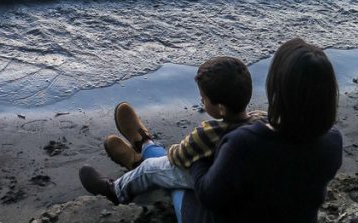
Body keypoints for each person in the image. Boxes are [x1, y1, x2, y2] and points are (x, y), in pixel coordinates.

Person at [80, 38, 342, 223]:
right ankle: (143, 150)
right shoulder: (332, 141)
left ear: (277, 88)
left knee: (177, 172)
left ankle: (133, 168)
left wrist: (197, 158)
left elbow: (209, 194)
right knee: (188, 168)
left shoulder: (247, 143)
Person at [80, 56, 264, 207]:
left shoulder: (209, 133)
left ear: (221, 109)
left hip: (213, 181)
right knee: (161, 167)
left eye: (204, 99)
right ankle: (143, 145)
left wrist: (176, 149)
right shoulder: (262, 119)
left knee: (151, 168)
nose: (202, 103)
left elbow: (176, 157)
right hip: (235, 180)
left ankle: (116, 189)